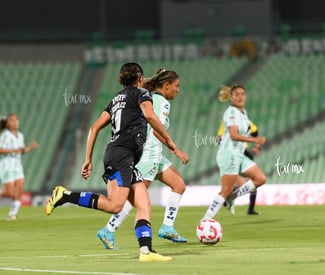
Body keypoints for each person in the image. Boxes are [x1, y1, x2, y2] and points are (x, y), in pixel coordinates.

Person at [45, 62, 186, 262]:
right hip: (121, 156)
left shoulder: (116, 99)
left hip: (121, 155)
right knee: (114, 206)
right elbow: (149, 115)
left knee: (144, 204)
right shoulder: (142, 95)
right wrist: (170, 141)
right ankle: (65, 196)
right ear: (139, 79)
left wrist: (88, 159)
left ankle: (146, 252)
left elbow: (94, 127)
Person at [96, 68, 189, 250]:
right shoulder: (160, 102)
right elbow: (155, 128)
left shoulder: (151, 97)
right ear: (166, 85)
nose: (178, 90)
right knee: (137, 199)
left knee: (179, 185)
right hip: (149, 153)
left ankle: (167, 226)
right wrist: (175, 149)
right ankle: (109, 229)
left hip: (156, 153)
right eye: (176, 86)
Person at [202, 84, 266, 220]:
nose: (240, 96)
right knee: (226, 189)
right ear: (231, 98)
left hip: (239, 154)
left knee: (260, 178)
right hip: (229, 153)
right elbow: (233, 135)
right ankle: (206, 219)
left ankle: (233, 197)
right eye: (236, 94)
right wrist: (255, 141)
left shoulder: (243, 114)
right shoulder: (231, 112)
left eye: (243, 94)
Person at [217, 120, 262, 215]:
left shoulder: (228, 122)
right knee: (250, 182)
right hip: (239, 153)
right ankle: (230, 195)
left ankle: (232, 197)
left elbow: (218, 139)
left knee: (252, 182)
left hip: (238, 153)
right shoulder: (245, 121)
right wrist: (257, 146)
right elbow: (255, 133)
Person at [0, 114, 39, 220]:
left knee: (20, 189)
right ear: (7, 123)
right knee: (10, 192)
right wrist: (12, 150)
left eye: (16, 120)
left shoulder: (20, 135)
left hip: (17, 164)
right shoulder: (5, 135)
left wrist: (30, 147)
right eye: (12, 120)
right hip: (7, 164)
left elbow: (21, 150)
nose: (15, 122)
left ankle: (13, 214)